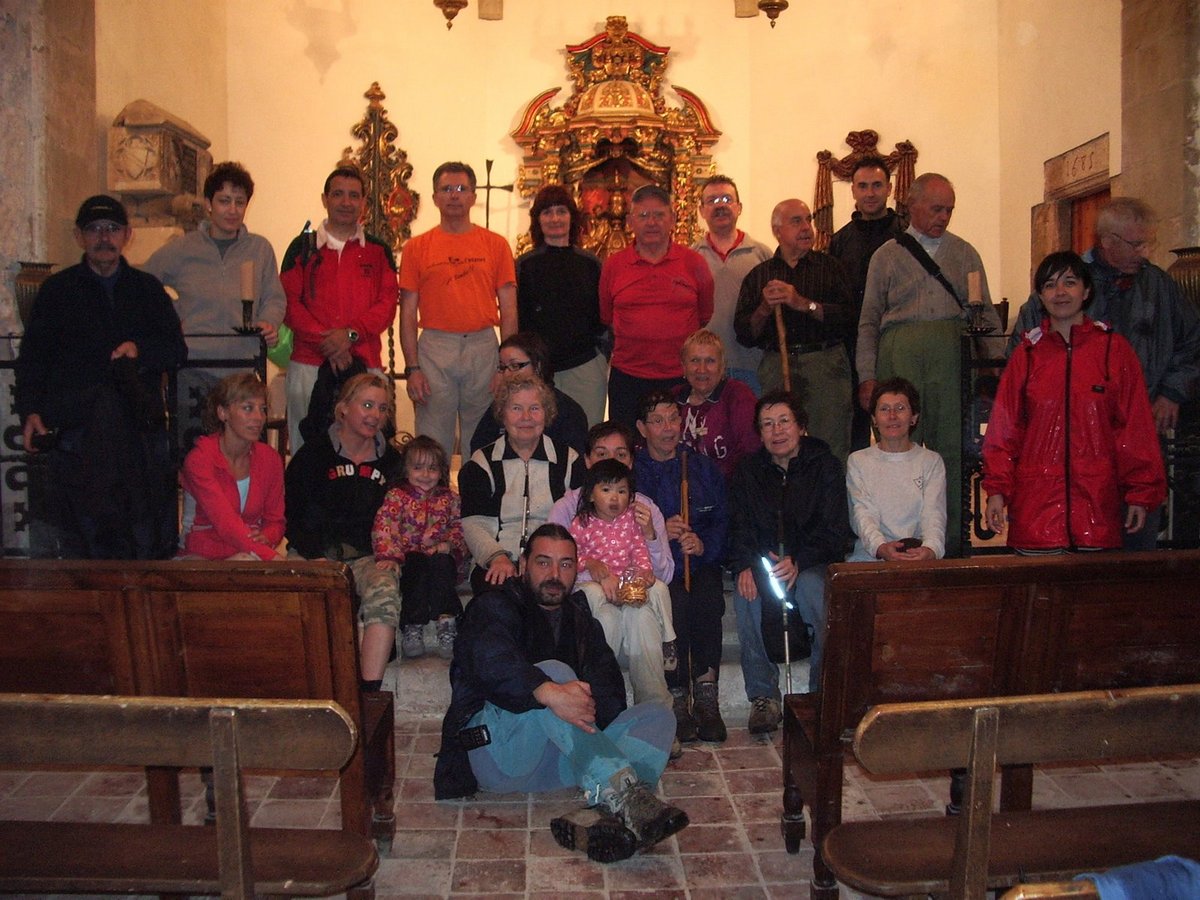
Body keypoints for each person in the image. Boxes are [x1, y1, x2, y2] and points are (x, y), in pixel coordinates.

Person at [433, 524, 687, 862]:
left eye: (566, 564)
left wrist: (595, 723)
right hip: (500, 755)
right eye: (543, 562)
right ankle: (625, 792)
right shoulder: (493, 605)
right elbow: (490, 661)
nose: (555, 574)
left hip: (556, 766)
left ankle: (600, 817)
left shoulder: (581, 620)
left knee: (659, 716)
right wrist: (548, 690)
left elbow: (608, 691)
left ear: (576, 569)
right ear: (523, 565)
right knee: (555, 674)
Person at [1008, 197, 1200, 549]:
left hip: (1139, 424)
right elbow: (1021, 360)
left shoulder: (1158, 285)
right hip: (1071, 438)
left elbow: (1193, 341)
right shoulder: (1065, 283)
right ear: (1108, 241)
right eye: (1136, 244)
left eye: (1147, 243)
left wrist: (1172, 391)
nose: (1144, 252)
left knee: (1136, 535)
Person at [16, 194, 187, 560]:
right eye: (94, 229)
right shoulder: (57, 291)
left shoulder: (147, 290)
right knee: (85, 542)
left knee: (138, 538)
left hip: (137, 432)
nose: (104, 237)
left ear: (127, 235)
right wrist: (30, 411)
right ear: (79, 236)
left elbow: (175, 350)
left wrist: (139, 350)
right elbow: (33, 359)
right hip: (77, 431)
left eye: (112, 228)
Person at [856, 172, 1002, 556]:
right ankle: (897, 539)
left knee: (951, 444)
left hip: (949, 352)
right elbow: (869, 319)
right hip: (899, 350)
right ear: (912, 206)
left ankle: (947, 542)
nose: (944, 217)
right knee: (897, 445)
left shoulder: (965, 253)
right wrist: (867, 376)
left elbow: (984, 312)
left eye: (949, 210)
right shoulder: (886, 255)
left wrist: (994, 367)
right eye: (937, 208)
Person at [983, 252, 1166, 553]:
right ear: (1040, 296)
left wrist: (1140, 492)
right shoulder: (1026, 356)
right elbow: (1004, 432)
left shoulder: (1114, 351)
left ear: (1086, 290)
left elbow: (1135, 428)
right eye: (1050, 285)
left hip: (1098, 512)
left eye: (1070, 282)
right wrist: (996, 490)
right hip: (1036, 515)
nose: (1060, 292)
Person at [727, 391, 851, 729]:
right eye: (768, 424)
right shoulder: (748, 472)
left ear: (801, 426)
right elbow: (739, 525)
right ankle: (763, 695)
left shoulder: (825, 466)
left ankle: (821, 692)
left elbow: (835, 530)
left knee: (814, 588)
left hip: (813, 561)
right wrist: (745, 563)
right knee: (746, 591)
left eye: (784, 421)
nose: (777, 431)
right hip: (765, 563)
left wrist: (800, 559)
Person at [143, 161, 286, 450]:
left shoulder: (259, 249)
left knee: (242, 449)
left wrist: (269, 321)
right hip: (193, 363)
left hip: (243, 364)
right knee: (194, 450)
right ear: (209, 204)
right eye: (224, 201)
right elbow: (144, 285)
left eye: (239, 202)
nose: (232, 209)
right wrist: (171, 316)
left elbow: (274, 296)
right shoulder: (184, 248)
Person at [284, 373, 402, 690]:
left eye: (382, 408)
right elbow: (292, 514)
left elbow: (400, 516)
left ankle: (368, 694)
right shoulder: (312, 456)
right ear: (344, 408)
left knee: (385, 590)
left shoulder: (393, 462)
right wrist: (315, 556)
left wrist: (389, 554)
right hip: (313, 553)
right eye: (367, 405)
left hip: (368, 556)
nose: (375, 415)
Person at [400, 161, 517, 457]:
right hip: (435, 348)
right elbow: (408, 314)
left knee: (482, 439)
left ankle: (476, 488)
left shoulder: (495, 245)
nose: (454, 195)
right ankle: (431, 488)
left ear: (473, 197)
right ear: (435, 197)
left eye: (462, 189)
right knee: (431, 438)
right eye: (447, 189)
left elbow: (509, 309)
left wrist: (505, 366)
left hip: (482, 346)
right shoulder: (416, 248)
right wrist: (413, 368)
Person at [280, 165, 399, 453]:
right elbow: (289, 303)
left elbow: (386, 304)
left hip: (365, 362)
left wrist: (350, 335)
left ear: (363, 202)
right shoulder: (302, 247)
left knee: (369, 449)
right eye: (338, 194)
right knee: (307, 450)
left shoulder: (378, 250)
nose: (346, 202)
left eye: (354, 196)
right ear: (325, 199)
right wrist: (330, 343)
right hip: (309, 363)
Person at [634, 391, 729, 744]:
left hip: (698, 560)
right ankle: (675, 695)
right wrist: (661, 531)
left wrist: (702, 544)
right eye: (657, 421)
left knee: (708, 598)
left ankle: (706, 692)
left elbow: (721, 520)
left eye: (673, 418)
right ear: (642, 428)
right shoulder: (634, 471)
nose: (667, 428)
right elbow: (622, 525)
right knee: (672, 602)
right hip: (657, 565)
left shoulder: (701, 467)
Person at [734, 199, 855, 464]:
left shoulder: (831, 268)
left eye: (808, 220)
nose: (806, 227)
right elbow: (744, 333)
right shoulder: (759, 275)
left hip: (824, 366)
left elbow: (848, 319)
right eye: (796, 221)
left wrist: (803, 304)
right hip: (777, 364)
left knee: (830, 443)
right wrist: (764, 308)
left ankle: (829, 490)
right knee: (778, 441)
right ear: (777, 231)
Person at [599, 184, 714, 426]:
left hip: (681, 376)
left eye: (659, 215)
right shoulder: (614, 265)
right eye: (643, 215)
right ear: (630, 221)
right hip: (628, 377)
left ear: (672, 219)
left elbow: (704, 315)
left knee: (681, 441)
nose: (651, 222)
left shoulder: (694, 263)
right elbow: (607, 316)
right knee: (628, 441)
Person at [568, 459, 675, 709]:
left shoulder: (631, 521)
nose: (614, 498)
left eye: (622, 491)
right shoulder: (581, 522)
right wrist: (590, 564)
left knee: (658, 589)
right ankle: (601, 696)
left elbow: (639, 550)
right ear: (590, 495)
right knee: (602, 610)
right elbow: (570, 556)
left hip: (626, 586)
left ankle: (668, 642)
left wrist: (645, 571)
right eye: (606, 490)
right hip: (597, 589)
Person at [460, 373, 578, 593]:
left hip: (553, 561)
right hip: (498, 559)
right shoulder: (482, 462)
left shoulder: (569, 460)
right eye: (516, 408)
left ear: (546, 413)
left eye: (534, 408)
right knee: (496, 601)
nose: (526, 417)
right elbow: (474, 524)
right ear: (502, 414)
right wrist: (497, 557)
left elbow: (581, 521)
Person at [827, 155, 905, 451]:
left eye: (876, 185)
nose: (870, 193)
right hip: (852, 345)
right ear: (853, 190)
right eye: (862, 186)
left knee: (900, 419)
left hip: (895, 340)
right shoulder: (840, 241)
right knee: (856, 429)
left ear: (889, 188)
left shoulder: (907, 235)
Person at [515, 185, 608, 425]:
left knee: (588, 432)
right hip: (539, 371)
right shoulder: (524, 266)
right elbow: (519, 319)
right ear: (537, 220)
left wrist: (601, 357)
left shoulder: (591, 264)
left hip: (585, 367)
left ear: (572, 217)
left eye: (561, 211)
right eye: (547, 212)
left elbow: (604, 316)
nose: (555, 218)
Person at [372, 435, 468, 661]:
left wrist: (449, 545)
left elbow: (460, 526)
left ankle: (446, 620)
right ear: (406, 469)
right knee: (415, 565)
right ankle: (412, 623)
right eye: (418, 468)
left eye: (432, 468)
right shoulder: (397, 497)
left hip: (440, 557)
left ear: (441, 471)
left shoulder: (450, 499)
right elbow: (384, 526)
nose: (425, 474)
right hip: (410, 559)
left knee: (442, 564)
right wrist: (391, 556)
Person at [179, 372, 285, 561]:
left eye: (262, 409)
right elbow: (225, 523)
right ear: (223, 413)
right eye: (248, 408)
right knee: (246, 564)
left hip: (251, 552)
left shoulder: (271, 459)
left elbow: (276, 521)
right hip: (202, 555)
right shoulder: (199, 459)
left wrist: (268, 536)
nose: (259, 417)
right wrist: (271, 557)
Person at [846, 378, 946, 562]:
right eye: (884, 409)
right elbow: (862, 514)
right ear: (874, 419)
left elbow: (934, 515)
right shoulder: (858, 461)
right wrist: (880, 547)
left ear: (914, 417)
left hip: (918, 556)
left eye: (900, 408)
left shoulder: (931, 461)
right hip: (869, 558)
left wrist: (931, 549)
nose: (892, 416)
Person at [691, 175, 773, 395]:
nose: (720, 206)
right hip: (704, 369)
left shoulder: (761, 254)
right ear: (701, 210)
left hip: (752, 365)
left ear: (739, 207)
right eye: (712, 201)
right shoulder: (691, 257)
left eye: (727, 199)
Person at [469, 332, 588, 455]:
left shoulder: (567, 411)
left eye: (515, 365)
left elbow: (573, 457)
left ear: (538, 366)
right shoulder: (500, 405)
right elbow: (479, 449)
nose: (507, 374)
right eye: (503, 367)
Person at [674, 328, 761, 482]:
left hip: (729, 485)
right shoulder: (672, 399)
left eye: (710, 361)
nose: (702, 369)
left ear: (722, 366)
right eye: (694, 360)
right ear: (683, 367)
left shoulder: (738, 396)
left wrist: (710, 479)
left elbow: (750, 448)